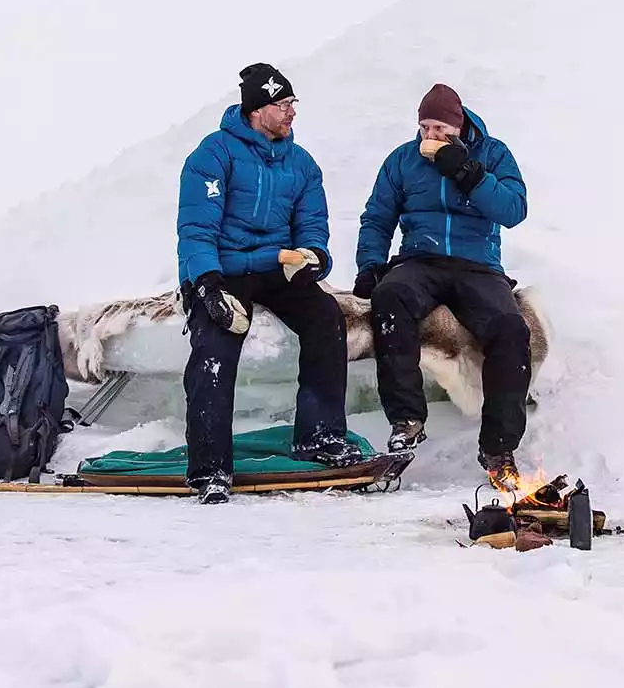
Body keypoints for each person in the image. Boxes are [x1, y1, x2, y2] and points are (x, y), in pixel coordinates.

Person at [176, 63, 362, 504]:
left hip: (278, 269)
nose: (292, 111)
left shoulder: (301, 164)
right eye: (283, 104)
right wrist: (205, 283)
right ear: (259, 110)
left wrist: (314, 256)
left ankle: (319, 436)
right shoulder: (213, 155)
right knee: (216, 345)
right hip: (222, 269)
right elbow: (196, 230)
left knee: (326, 319)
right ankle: (210, 469)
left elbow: (313, 224)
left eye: (292, 102)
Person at [353, 83, 530, 488]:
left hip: (478, 266)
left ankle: (499, 447)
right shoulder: (402, 161)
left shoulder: (492, 153)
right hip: (421, 259)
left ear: (458, 125)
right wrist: (370, 265)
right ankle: (407, 418)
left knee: (510, 327)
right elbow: (377, 217)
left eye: (439, 130)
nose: (430, 138)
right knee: (390, 297)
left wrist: (467, 172)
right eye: (424, 128)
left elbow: (513, 209)